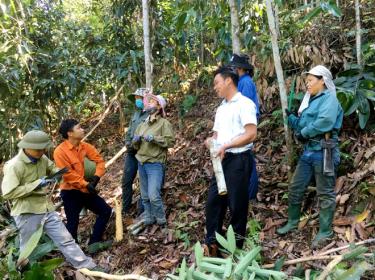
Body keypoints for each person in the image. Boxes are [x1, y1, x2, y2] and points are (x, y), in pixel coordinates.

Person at [1, 130, 98, 270]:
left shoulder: (42, 158)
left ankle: (87, 266)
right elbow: (8, 193)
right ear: (27, 147)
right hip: (27, 212)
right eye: (39, 149)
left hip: (46, 208)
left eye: (44, 148)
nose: (43, 151)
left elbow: (53, 169)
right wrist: (35, 184)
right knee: (28, 249)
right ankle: (24, 274)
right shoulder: (14, 165)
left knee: (65, 239)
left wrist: (61, 172)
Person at [277, 65, 343, 248]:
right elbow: (302, 126)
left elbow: (325, 122)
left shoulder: (329, 99)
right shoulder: (311, 102)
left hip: (324, 151)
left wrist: (303, 132)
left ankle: (325, 231)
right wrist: (292, 120)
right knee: (296, 187)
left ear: (322, 80)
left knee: (325, 193)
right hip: (309, 152)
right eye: (306, 81)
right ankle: (292, 222)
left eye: (311, 80)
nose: (307, 84)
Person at [204, 66, 257, 255]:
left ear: (228, 81)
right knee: (213, 203)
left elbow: (251, 134)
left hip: (239, 160)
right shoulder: (221, 108)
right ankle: (212, 245)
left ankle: (236, 250)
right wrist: (212, 142)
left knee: (237, 205)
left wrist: (225, 145)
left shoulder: (245, 103)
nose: (215, 87)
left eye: (217, 83)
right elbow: (217, 135)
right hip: (222, 162)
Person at [53, 119, 112, 253]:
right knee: (72, 223)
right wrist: (86, 184)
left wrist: (96, 178)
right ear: (70, 133)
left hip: (86, 189)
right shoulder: (59, 152)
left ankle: (94, 243)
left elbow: (100, 161)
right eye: (79, 128)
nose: (82, 130)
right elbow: (68, 174)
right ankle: (72, 253)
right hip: (71, 192)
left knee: (105, 211)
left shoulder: (85, 146)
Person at [132, 94, 175, 226]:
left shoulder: (164, 123)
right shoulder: (142, 125)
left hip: (155, 163)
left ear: (158, 106)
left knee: (153, 195)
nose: (149, 103)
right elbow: (135, 146)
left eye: (152, 102)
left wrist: (155, 139)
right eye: (148, 101)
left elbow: (171, 142)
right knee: (144, 196)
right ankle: (149, 219)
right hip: (141, 162)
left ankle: (162, 221)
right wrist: (135, 141)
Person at [229, 53, 260, 201]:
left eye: (234, 67)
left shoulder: (246, 83)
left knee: (247, 159)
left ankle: (251, 194)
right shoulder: (242, 81)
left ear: (239, 68)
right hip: (242, 126)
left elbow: (246, 106)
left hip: (245, 126)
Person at [122, 88, 150, 214]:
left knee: (143, 182)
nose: (137, 101)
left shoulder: (151, 114)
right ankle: (125, 208)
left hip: (144, 153)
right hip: (131, 153)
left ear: (146, 99)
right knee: (126, 180)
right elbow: (129, 132)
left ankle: (142, 210)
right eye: (136, 98)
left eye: (139, 98)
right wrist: (128, 142)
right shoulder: (136, 113)